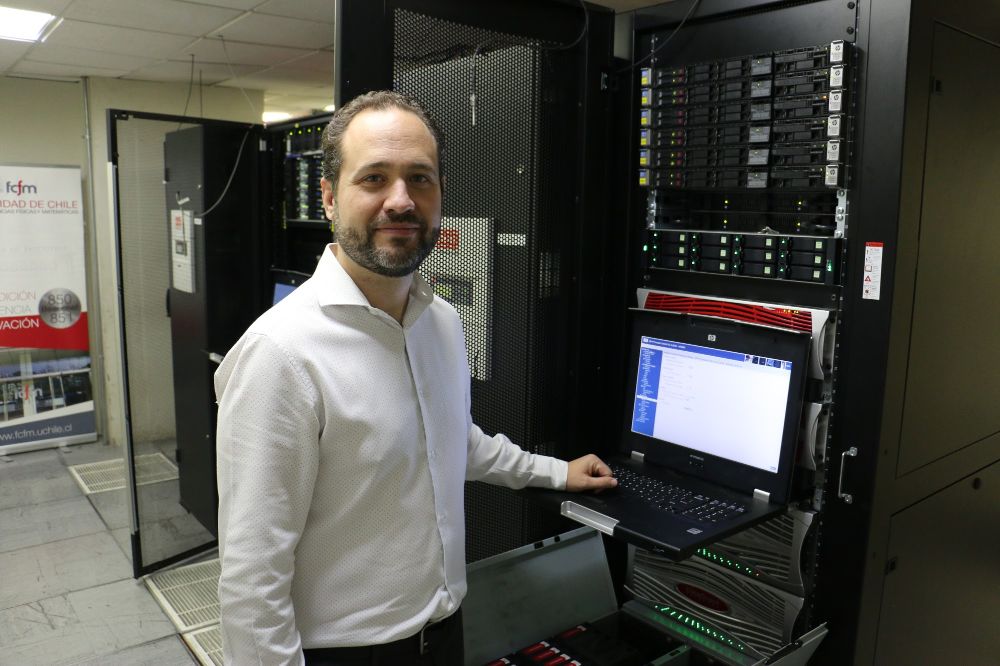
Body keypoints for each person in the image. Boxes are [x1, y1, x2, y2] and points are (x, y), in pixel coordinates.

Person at [214, 90, 617, 666]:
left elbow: (449, 438)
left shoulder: (441, 322)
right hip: (345, 655)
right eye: (374, 178)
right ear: (329, 197)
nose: (400, 201)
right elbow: (252, 574)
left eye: (419, 179)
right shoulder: (281, 354)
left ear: (440, 196)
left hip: (445, 633)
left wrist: (554, 473)